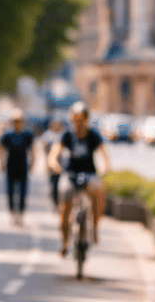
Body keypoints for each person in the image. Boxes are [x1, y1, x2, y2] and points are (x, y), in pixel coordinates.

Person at [47, 101, 110, 257]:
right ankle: (65, 241)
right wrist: (54, 164)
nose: (77, 122)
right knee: (65, 206)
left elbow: (104, 155)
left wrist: (105, 167)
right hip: (70, 174)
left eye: (80, 119)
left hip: (90, 174)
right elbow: (54, 152)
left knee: (98, 192)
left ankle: (95, 227)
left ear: (86, 119)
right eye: (74, 119)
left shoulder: (93, 135)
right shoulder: (67, 135)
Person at [0, 109, 34, 226]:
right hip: (10, 165)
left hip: (23, 165)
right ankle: (13, 214)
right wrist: (0, 162)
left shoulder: (27, 135)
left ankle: (21, 214)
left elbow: (32, 150)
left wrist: (33, 163)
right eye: (15, 121)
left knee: (23, 191)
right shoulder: (8, 135)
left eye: (19, 121)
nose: (17, 123)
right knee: (10, 191)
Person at [40, 117, 66, 209]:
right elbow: (44, 146)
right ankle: (55, 203)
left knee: (61, 184)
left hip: (61, 162)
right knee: (53, 184)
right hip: (51, 161)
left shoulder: (63, 134)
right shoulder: (48, 135)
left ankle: (60, 202)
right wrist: (48, 159)